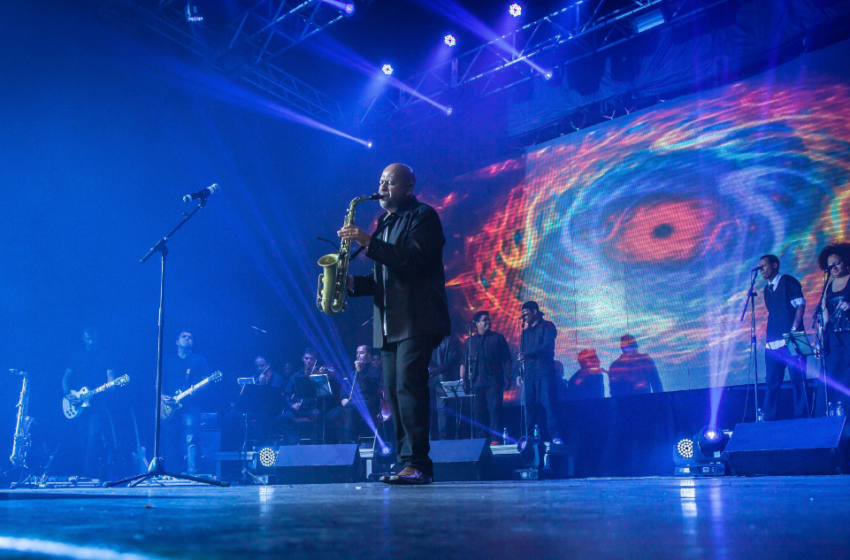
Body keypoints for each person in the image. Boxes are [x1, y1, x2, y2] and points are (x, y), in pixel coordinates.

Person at [340, 163, 451, 485]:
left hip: (417, 318)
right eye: (380, 181)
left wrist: (366, 241)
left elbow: (413, 261)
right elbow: (382, 279)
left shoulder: (423, 216)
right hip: (388, 323)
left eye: (390, 182)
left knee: (409, 389)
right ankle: (407, 463)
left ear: (409, 187)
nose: (382, 187)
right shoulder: (385, 224)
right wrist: (349, 283)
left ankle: (419, 464)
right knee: (393, 391)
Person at [62, 327, 117, 479]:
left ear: (98, 336)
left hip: (98, 404)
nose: (91, 342)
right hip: (79, 404)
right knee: (82, 439)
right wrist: (68, 394)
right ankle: (82, 473)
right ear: (83, 337)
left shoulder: (106, 355)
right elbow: (66, 377)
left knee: (94, 438)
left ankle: (89, 474)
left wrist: (110, 386)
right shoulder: (77, 355)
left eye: (93, 338)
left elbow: (110, 377)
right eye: (88, 339)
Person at [758, 254, 808, 421]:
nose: (761, 270)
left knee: (798, 380)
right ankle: (769, 419)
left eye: (764, 266)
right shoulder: (766, 290)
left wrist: (794, 329)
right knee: (771, 383)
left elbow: (800, 305)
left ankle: (802, 419)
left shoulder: (787, 281)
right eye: (760, 267)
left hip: (792, 339)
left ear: (775, 265)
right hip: (773, 342)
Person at [161, 330, 211, 474]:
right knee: (171, 440)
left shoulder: (199, 360)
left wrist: (198, 389)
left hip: (191, 405)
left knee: (192, 438)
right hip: (169, 406)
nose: (188, 339)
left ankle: (193, 473)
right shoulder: (167, 360)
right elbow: (160, 381)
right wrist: (162, 396)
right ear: (177, 341)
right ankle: (172, 473)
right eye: (184, 336)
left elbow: (206, 381)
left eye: (191, 337)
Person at [460, 311, 512, 443]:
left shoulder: (498, 338)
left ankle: (495, 439)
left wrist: (508, 376)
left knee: (494, 410)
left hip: (494, 381)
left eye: (489, 320)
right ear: (476, 324)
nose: (488, 322)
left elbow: (507, 359)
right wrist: (462, 378)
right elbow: (463, 362)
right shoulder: (469, 341)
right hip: (476, 382)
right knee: (478, 412)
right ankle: (481, 439)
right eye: (484, 320)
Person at [517, 301, 561, 444]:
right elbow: (521, 355)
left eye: (526, 314)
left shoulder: (547, 326)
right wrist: (520, 372)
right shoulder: (524, 333)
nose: (524, 318)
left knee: (549, 404)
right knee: (529, 406)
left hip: (544, 372)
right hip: (529, 374)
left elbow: (547, 347)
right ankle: (529, 437)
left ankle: (555, 436)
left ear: (534, 312)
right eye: (522, 315)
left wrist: (528, 355)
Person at [815, 243, 850, 416]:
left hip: (848, 336)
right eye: (830, 265)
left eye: (837, 263)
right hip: (833, 340)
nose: (834, 267)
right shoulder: (828, 287)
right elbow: (824, 316)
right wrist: (819, 340)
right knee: (830, 378)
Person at [327, 345, 383, 444]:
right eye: (357, 353)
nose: (358, 355)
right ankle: (346, 439)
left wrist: (361, 371)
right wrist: (343, 398)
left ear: (368, 355)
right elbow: (344, 389)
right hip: (351, 404)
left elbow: (373, 388)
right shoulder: (352, 372)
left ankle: (350, 441)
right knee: (330, 416)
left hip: (368, 403)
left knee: (350, 407)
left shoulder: (374, 370)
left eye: (361, 353)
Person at [275, 348, 327, 445]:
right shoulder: (296, 376)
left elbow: (323, 395)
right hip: (298, 409)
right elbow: (287, 394)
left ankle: (313, 444)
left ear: (315, 360)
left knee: (317, 415)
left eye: (311, 359)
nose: (308, 361)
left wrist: (323, 376)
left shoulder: (319, 375)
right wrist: (292, 404)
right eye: (306, 358)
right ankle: (295, 442)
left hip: (312, 408)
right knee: (280, 418)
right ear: (303, 359)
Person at [428, 334, 461, 440]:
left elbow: (452, 360)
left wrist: (440, 370)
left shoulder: (450, 340)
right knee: (428, 408)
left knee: (442, 409)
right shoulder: (426, 338)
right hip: (428, 378)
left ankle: (443, 436)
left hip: (442, 378)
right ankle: (429, 435)